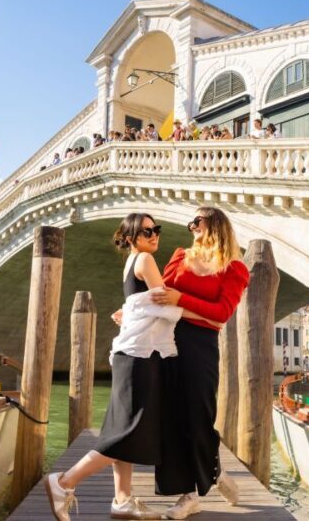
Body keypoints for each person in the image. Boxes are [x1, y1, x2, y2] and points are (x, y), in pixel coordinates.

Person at [45, 214, 219, 521]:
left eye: (156, 230)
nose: (154, 235)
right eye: (146, 231)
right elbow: (164, 302)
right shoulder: (145, 261)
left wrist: (131, 311)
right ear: (130, 238)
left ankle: (122, 500)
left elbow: (145, 303)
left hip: (130, 355)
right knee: (128, 432)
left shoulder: (133, 262)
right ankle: (64, 482)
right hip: (140, 357)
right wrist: (205, 314)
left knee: (119, 427)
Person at [150, 207, 249, 519]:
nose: (190, 225)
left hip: (200, 345)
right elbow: (159, 294)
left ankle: (214, 470)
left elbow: (221, 314)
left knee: (198, 415)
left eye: (197, 221)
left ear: (215, 224)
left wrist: (180, 302)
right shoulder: (180, 256)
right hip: (167, 338)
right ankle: (188, 495)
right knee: (170, 417)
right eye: (190, 222)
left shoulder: (235, 268)